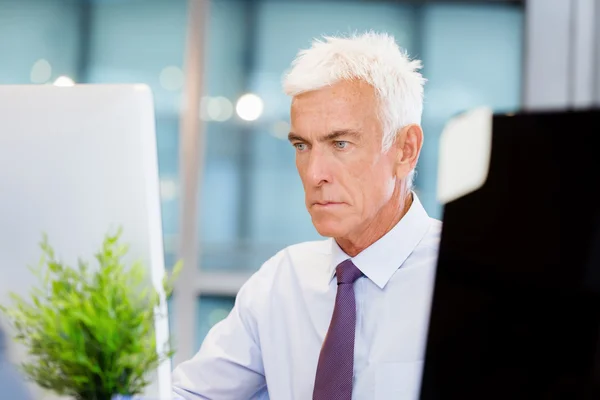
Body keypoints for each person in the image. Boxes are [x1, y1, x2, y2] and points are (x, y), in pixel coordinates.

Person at [172, 31, 441, 400]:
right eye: (302, 145)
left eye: (340, 143)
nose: (314, 173)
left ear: (405, 149)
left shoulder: (470, 281)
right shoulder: (282, 282)